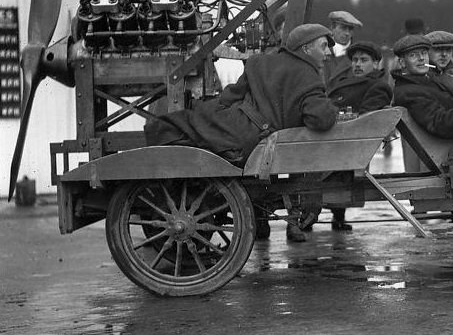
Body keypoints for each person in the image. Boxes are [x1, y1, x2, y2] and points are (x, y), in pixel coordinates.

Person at [144, 23, 339, 242]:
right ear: (305, 49)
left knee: (176, 124)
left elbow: (229, 97)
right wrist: (334, 110)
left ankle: (161, 176)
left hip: (237, 123)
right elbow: (320, 119)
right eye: (324, 47)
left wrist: (215, 117)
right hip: (249, 138)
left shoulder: (260, 62)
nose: (328, 53)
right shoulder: (308, 76)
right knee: (187, 127)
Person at [323, 40, 393, 231]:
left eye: (363, 60)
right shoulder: (343, 82)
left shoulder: (378, 86)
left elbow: (365, 119)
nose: (357, 64)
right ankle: (334, 217)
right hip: (335, 140)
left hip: (350, 144)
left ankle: (315, 216)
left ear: (376, 63)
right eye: (354, 60)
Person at [325, 10, 363, 87]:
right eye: (343, 28)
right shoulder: (319, 51)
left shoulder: (358, 56)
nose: (347, 33)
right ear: (332, 28)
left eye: (350, 29)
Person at [425, 30, 453, 96]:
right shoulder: (419, 79)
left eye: (448, 50)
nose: (444, 54)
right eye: (438, 49)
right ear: (426, 52)